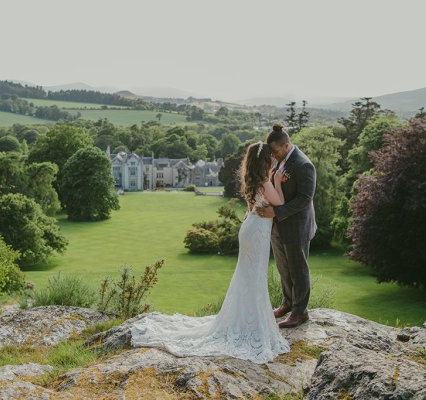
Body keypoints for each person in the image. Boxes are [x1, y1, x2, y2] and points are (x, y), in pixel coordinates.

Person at [130, 141, 290, 364]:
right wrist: (278, 179)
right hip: (258, 233)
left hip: (251, 229)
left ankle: (245, 321)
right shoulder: (265, 181)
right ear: (265, 161)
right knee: (254, 277)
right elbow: (280, 203)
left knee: (247, 276)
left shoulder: (253, 179)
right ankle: (251, 324)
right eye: (270, 158)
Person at [256, 124, 317, 328]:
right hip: (278, 226)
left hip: (297, 227)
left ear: (286, 145)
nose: (272, 155)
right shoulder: (280, 161)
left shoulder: (303, 165)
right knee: (284, 268)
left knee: (298, 269)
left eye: (275, 150)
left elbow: (304, 199)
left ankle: (300, 312)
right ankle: (287, 303)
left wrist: (277, 212)